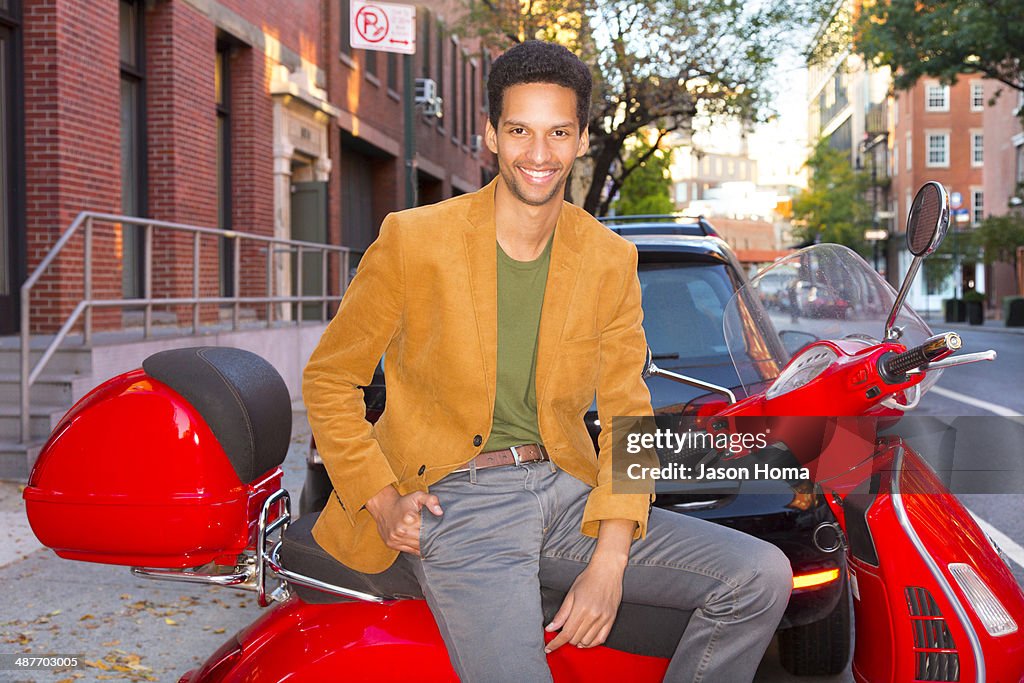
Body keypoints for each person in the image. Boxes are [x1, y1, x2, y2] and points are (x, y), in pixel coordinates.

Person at [303, 40, 792, 682]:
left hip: (564, 490)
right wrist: (382, 499)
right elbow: (330, 378)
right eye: (520, 131)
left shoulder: (607, 259)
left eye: (558, 132)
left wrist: (610, 564)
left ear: (581, 137)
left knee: (759, 576)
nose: (539, 154)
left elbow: (627, 410)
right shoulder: (413, 240)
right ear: (490, 135)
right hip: (457, 500)